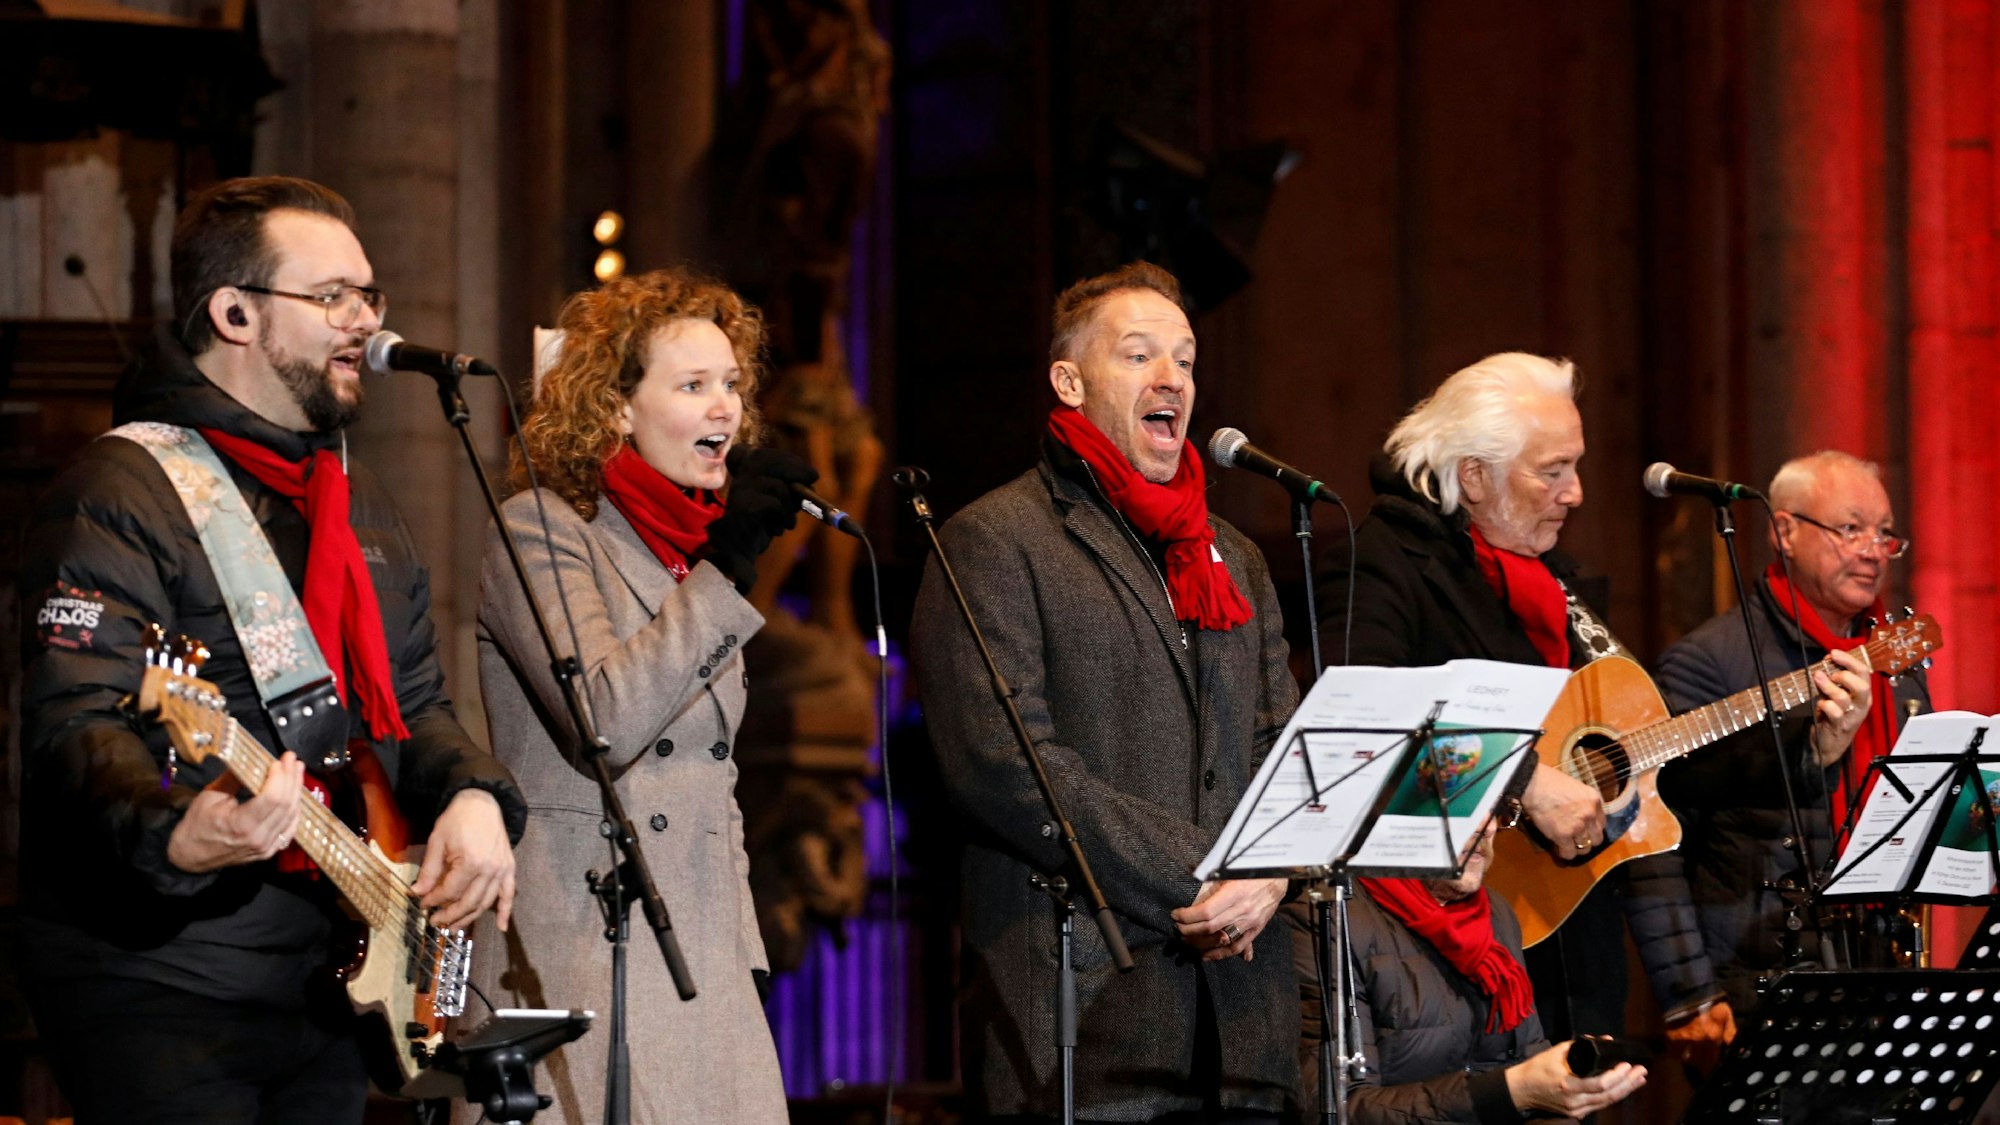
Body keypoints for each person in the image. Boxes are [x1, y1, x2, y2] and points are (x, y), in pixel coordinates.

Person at [17, 175, 525, 1124]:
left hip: (321, 976)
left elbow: (413, 706)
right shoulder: (119, 491)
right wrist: (174, 826)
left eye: (369, 296)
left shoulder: (357, 497)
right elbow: (71, 727)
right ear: (235, 312)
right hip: (160, 976)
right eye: (332, 296)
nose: (365, 324)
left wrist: (472, 793)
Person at [909, 262, 1301, 1122]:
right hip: (1091, 1017)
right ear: (1069, 380)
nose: (1173, 378)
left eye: (1187, 360)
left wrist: (1270, 876)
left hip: (1247, 1026)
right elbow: (1007, 768)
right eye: (1139, 356)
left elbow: (1283, 749)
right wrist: (1205, 873)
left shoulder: (1231, 556)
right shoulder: (995, 541)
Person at [1308, 353, 1718, 1056]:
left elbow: (1626, 751)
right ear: (1473, 475)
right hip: (1441, 957)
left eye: (1577, 465)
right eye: (1551, 470)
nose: (1577, 492)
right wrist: (1523, 778)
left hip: (1575, 948)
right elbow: (1365, 722)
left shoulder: (1549, 582)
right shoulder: (1384, 559)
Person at [470, 268, 804, 1123]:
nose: (725, 408)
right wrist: (725, 567)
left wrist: (745, 956)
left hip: (704, 961)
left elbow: (712, 781)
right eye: (692, 385)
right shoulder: (542, 527)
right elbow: (607, 721)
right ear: (616, 407)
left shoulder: (687, 560)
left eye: (730, 384)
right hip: (587, 948)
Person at [1639, 450, 1927, 1066]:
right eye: (1851, 529)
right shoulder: (1709, 662)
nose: (1873, 550)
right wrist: (1688, 991)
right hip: (1755, 976)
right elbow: (1652, 839)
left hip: (1877, 969)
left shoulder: (1894, 664)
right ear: (1784, 531)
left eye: (1885, 533)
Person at [1345, 820, 1649, 1124]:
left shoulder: (1495, 914)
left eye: (1495, 808)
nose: (1487, 826)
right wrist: (1512, 1091)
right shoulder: (1336, 916)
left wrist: (1561, 1092)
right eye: (1466, 803)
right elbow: (1344, 1107)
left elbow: (1532, 1075)